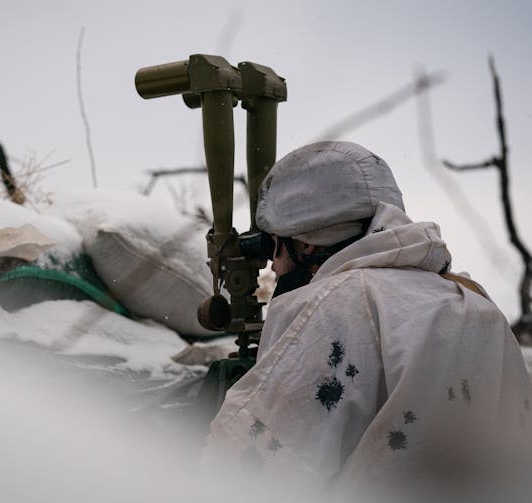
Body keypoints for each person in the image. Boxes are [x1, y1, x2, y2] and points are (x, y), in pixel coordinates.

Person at [203, 141, 532, 496]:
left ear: (307, 244)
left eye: (274, 246)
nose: (273, 265)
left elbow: (248, 470)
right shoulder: (475, 302)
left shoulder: (338, 304)